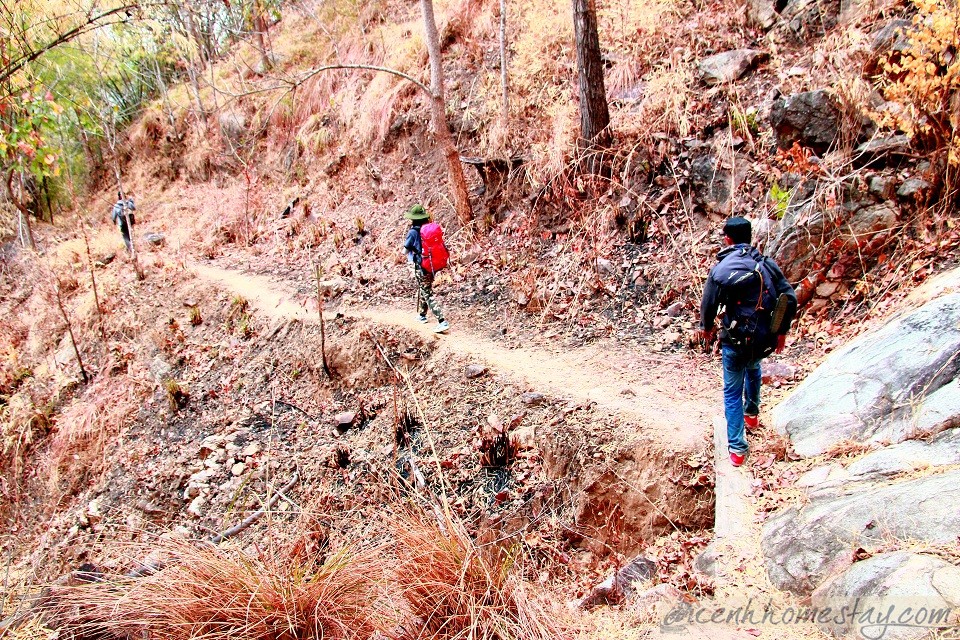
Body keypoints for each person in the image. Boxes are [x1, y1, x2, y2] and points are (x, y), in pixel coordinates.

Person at [698, 216, 797, 467]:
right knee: (753, 366)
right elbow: (789, 298)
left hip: (735, 338)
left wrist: (706, 328)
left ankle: (737, 449)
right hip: (763, 337)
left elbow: (709, 302)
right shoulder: (766, 264)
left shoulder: (722, 268)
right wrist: (781, 331)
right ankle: (752, 413)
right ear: (750, 237)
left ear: (727, 239)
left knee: (732, 391)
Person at [403, 204, 449, 333]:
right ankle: (422, 315)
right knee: (424, 288)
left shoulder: (413, 232)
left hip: (421, 265)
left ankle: (442, 321)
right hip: (432, 265)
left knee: (427, 292)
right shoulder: (428, 229)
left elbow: (405, 250)